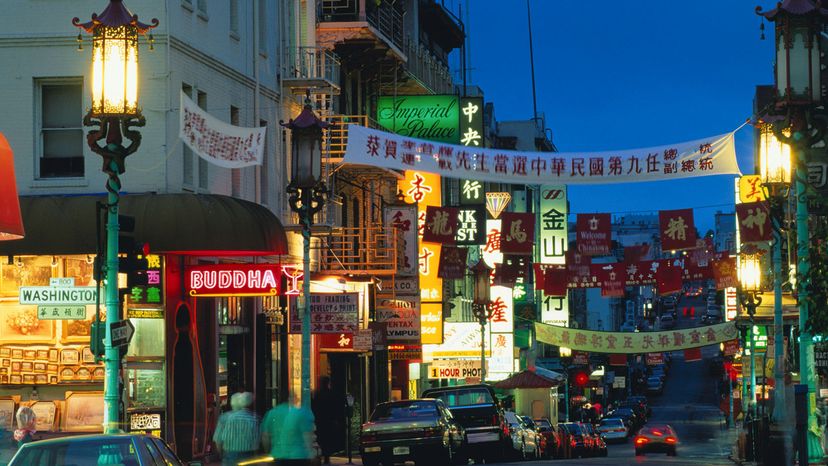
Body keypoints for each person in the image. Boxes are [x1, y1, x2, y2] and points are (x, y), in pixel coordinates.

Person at [262, 392, 316, 466]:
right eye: (295, 397)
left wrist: (268, 451)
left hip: (277, 455)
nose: (298, 399)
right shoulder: (300, 413)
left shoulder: (272, 413)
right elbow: (307, 435)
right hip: (298, 455)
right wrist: (311, 453)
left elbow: (265, 436)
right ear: (290, 398)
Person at [213, 392, 261, 466]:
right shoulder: (254, 418)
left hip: (230, 454)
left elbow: (218, 440)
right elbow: (257, 440)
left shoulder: (226, 418)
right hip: (248, 455)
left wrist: (221, 454)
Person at [311, 376, 340, 464]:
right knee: (327, 439)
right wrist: (335, 419)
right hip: (328, 421)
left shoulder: (317, 394)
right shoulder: (330, 394)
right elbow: (335, 408)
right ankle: (326, 457)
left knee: (321, 439)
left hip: (320, 421)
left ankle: (322, 456)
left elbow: (314, 407)